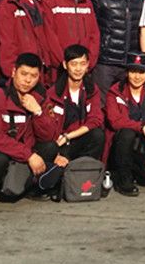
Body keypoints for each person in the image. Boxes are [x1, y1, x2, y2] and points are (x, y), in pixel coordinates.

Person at [0, 53, 47, 207]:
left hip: (24, 152)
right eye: (23, 74)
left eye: (33, 76)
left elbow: (48, 135)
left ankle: (29, 187)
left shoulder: (40, 97)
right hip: (2, 152)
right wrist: (28, 155)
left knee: (50, 147)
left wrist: (38, 112)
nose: (28, 80)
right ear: (13, 72)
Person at [32, 44, 106, 188]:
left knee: (97, 135)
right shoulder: (53, 93)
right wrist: (57, 153)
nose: (78, 69)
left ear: (88, 65)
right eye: (74, 64)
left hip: (75, 139)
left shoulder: (91, 89)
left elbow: (96, 119)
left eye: (82, 64)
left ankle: (85, 176)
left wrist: (69, 136)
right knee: (50, 151)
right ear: (65, 65)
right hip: (57, 143)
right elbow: (47, 130)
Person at [105, 53, 145, 197]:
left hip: (144, 144)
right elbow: (115, 121)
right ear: (127, 72)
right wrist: (142, 127)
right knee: (127, 133)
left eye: (141, 72)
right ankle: (124, 178)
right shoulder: (115, 91)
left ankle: (135, 171)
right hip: (121, 143)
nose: (137, 77)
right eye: (133, 71)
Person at [0, 0, 61, 84]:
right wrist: (12, 73)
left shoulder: (38, 4)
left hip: (42, 72)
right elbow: (6, 44)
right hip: (22, 75)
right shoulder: (7, 6)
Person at [90, 0, 144, 94]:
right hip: (105, 62)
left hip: (130, 62)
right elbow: (91, 29)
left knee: (124, 101)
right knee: (101, 101)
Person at [41, 0, 100, 71]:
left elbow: (94, 34)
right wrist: (64, 63)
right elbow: (49, 37)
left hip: (84, 68)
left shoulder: (86, 1)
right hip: (60, 68)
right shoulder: (49, 1)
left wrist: (88, 63)